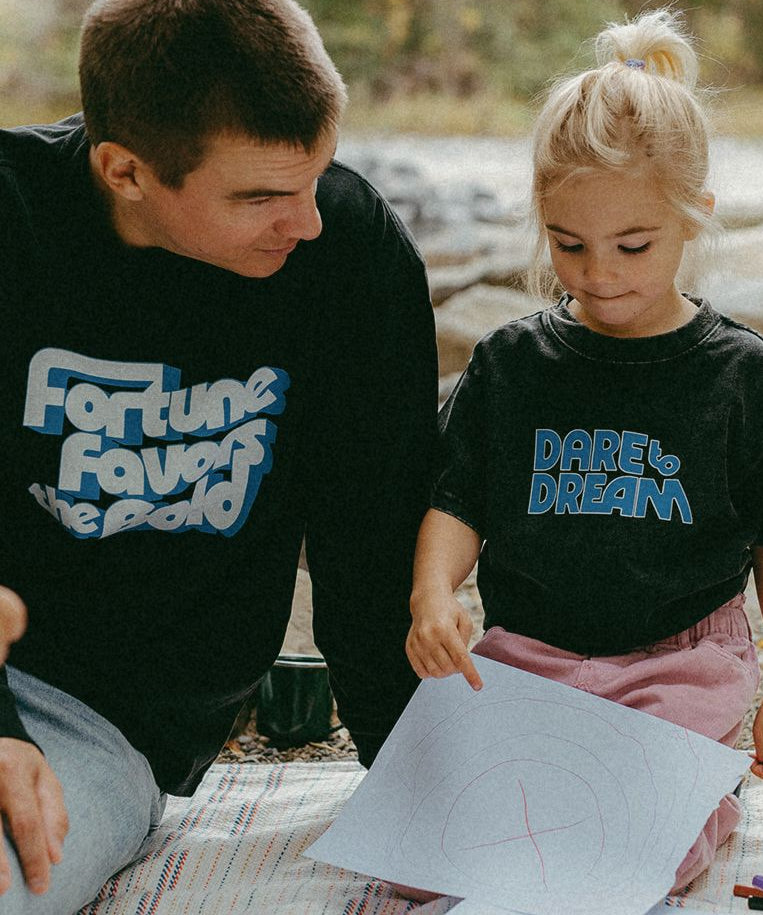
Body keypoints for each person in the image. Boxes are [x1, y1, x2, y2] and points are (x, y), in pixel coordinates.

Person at [0, 0, 437, 910]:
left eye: (313, 177)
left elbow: (369, 550)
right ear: (124, 170)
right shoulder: (14, 220)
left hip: (89, 716)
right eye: (260, 197)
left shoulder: (346, 253)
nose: (305, 222)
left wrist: (426, 798)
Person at [404, 7, 763, 896]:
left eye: (632, 245)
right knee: (427, 852)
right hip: (528, 657)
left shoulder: (738, 374)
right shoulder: (510, 361)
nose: (598, 272)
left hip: (679, 663)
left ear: (694, 216)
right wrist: (432, 593)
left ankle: (695, 793)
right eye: (568, 245)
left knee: (627, 848)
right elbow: (457, 498)